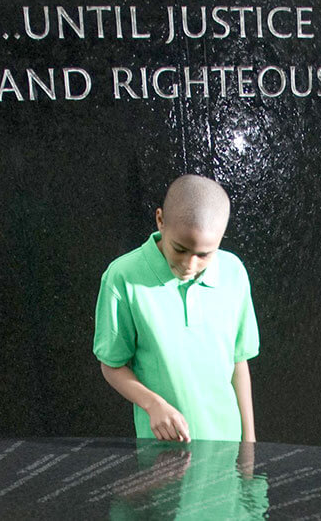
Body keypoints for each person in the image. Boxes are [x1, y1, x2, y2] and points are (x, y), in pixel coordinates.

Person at [93, 175, 258, 442]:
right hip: (163, 454)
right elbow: (111, 364)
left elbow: (239, 361)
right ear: (160, 220)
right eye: (180, 249)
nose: (189, 265)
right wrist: (152, 404)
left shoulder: (233, 272)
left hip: (228, 452)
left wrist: (249, 444)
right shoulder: (122, 277)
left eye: (204, 254)